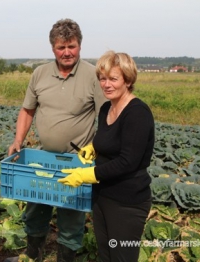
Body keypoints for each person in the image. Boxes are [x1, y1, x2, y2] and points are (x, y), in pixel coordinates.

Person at [5, 18, 107, 262]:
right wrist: (18, 139)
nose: (67, 52)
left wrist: (96, 148)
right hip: (43, 158)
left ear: (79, 46)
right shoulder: (40, 73)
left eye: (71, 46)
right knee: (35, 207)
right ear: (53, 48)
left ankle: (66, 257)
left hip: (76, 159)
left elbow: (106, 118)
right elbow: (27, 110)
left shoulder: (93, 75)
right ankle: (33, 255)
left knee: (71, 213)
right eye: (61, 47)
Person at [58, 51, 155, 262]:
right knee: (106, 255)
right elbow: (108, 140)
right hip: (102, 197)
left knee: (121, 258)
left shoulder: (138, 113)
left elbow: (127, 162)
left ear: (128, 80)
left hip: (127, 202)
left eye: (113, 78)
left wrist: (87, 175)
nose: (106, 84)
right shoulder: (105, 109)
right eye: (102, 79)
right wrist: (93, 148)